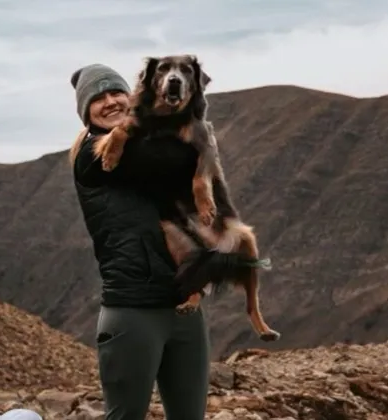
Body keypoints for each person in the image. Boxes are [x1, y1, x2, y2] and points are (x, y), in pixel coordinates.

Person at [68, 63, 239, 420]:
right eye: (98, 99)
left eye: (116, 92)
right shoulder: (92, 156)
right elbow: (176, 156)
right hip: (133, 311)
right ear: (86, 112)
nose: (110, 101)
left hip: (184, 309)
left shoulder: (143, 140)